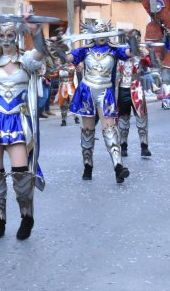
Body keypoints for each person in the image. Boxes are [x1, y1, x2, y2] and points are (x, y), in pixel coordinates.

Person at [0, 21, 45, 240]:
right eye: (2, 35)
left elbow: (41, 51)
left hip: (17, 119)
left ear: (17, 36)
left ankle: (26, 216)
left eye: (10, 34)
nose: (5, 39)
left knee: (21, 173)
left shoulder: (26, 60)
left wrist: (36, 30)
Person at [54, 20, 136, 183]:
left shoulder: (114, 51)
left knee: (110, 129)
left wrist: (131, 37)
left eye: (104, 32)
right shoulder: (85, 51)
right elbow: (67, 58)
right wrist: (60, 46)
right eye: (98, 32)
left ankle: (118, 166)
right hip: (87, 91)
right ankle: (87, 165)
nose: (102, 36)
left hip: (105, 92)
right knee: (87, 130)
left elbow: (131, 52)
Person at [117, 54, 152, 157]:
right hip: (122, 89)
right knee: (123, 118)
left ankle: (144, 146)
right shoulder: (117, 54)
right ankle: (123, 147)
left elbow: (152, 63)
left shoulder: (140, 56)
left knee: (141, 117)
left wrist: (151, 51)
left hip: (137, 88)